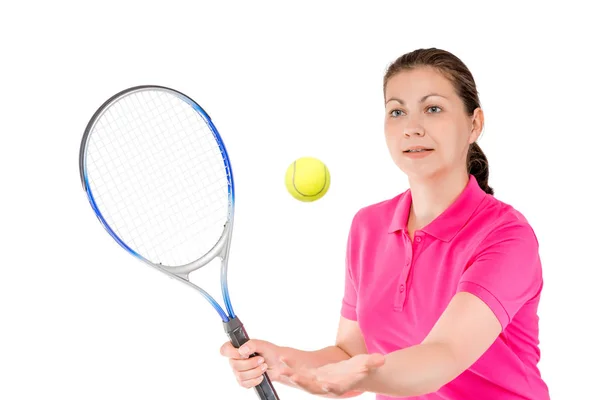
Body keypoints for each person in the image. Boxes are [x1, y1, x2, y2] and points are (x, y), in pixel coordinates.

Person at [220, 48, 550, 399]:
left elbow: (443, 357)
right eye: (397, 111)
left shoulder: (506, 236)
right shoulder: (369, 227)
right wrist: (284, 363)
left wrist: (356, 376)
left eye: (433, 108)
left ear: (474, 124)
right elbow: (352, 355)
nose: (412, 127)